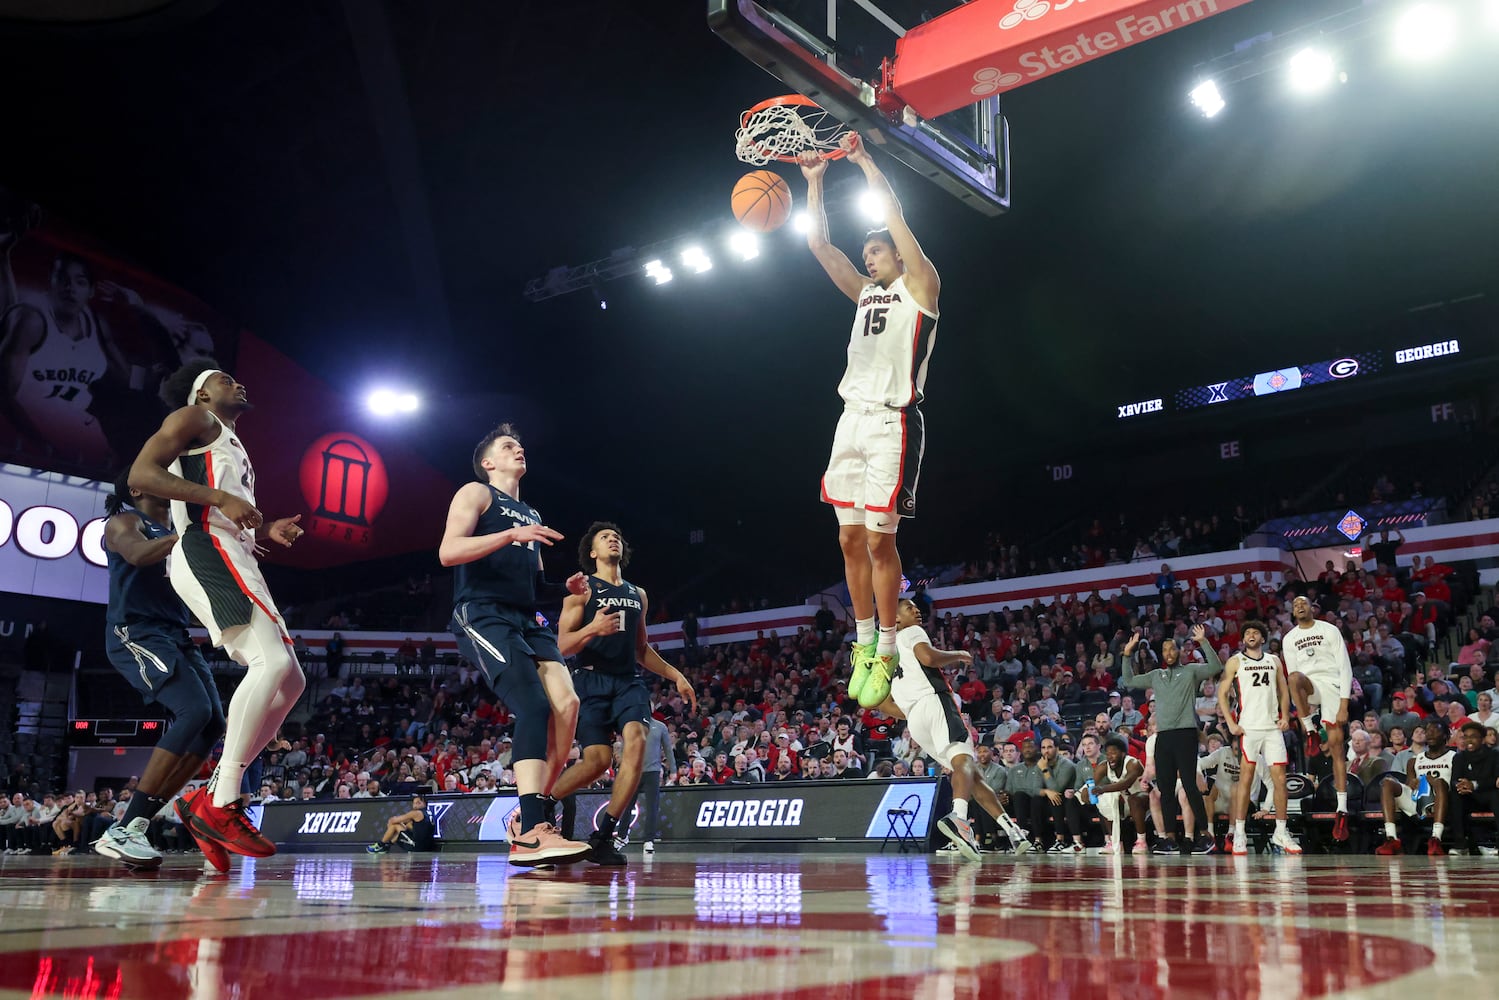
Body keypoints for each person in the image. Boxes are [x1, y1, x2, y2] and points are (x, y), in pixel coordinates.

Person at [128, 359, 305, 866]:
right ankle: (220, 799)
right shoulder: (194, 419)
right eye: (224, 379)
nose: (238, 381)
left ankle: (207, 799)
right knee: (269, 663)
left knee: (291, 681)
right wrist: (219, 497)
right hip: (206, 550)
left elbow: (227, 506)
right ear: (202, 395)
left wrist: (263, 527)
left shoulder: (228, 439)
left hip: (234, 551)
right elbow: (142, 475)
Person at [799, 131, 940, 712]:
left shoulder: (922, 289)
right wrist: (813, 182)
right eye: (868, 255)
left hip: (893, 424)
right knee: (847, 538)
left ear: (900, 257)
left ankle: (887, 646)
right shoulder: (864, 295)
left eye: (877, 252)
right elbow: (818, 246)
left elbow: (896, 220)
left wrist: (863, 164)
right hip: (849, 422)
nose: (868, 258)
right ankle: (861, 641)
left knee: (883, 544)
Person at [439, 423, 590, 867]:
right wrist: (508, 535)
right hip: (483, 612)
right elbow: (448, 552)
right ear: (489, 462)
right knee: (533, 706)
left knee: (568, 705)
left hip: (527, 618)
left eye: (520, 445)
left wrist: (565, 587)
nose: (518, 449)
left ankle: (530, 818)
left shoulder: (531, 513)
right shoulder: (475, 493)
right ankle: (532, 831)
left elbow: (533, 585)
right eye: (508, 446)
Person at [92, 472, 230, 871]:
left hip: (175, 634)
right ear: (136, 489)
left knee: (213, 724)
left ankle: (137, 824)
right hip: (135, 631)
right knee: (194, 711)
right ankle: (123, 827)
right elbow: (137, 554)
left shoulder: (178, 526)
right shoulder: (124, 522)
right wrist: (187, 538)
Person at [548, 522, 698, 865]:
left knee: (637, 741)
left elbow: (641, 648)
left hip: (627, 681)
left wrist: (677, 675)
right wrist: (593, 627)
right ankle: (543, 804)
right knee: (597, 762)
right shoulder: (581, 591)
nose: (613, 539)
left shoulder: (637, 594)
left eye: (616, 536)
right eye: (605, 537)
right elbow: (562, 645)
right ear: (593, 552)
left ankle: (604, 836)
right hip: (589, 680)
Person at [871, 599, 1030, 859]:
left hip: (915, 721)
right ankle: (959, 819)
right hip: (935, 702)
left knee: (969, 773)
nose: (917, 610)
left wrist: (911, 712)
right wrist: (958, 655)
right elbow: (929, 657)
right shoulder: (911, 632)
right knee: (965, 761)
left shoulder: (884, 654)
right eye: (909, 607)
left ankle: (1011, 830)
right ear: (896, 619)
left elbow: (882, 703)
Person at [1120, 625, 1222, 854]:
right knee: (1165, 789)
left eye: (1172, 648)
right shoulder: (1156, 675)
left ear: (1180, 652)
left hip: (1186, 734)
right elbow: (1128, 680)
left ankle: (1206, 835)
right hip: (1163, 736)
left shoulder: (1191, 671)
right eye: (1165, 649)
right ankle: (1169, 839)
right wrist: (1127, 654)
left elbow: (1216, 666)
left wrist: (1203, 641)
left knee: (1189, 784)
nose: (1168, 652)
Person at [1216, 620, 1301, 855]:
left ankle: (1281, 832)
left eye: (1255, 632)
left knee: (1280, 780)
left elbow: (1284, 690)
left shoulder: (1273, 660)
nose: (1251, 635)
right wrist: (1231, 723)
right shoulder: (1236, 661)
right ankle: (1240, 833)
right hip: (1249, 728)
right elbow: (1222, 693)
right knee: (1246, 778)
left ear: (1263, 638)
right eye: (1247, 632)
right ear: (1243, 639)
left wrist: (1285, 715)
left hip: (1272, 728)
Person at [1283, 596, 1355, 841]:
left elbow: (1345, 667)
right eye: (1295, 605)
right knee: (1292, 678)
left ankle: (1342, 808)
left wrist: (1344, 704)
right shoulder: (1289, 638)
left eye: (1303, 603)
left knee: (1336, 748)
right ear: (1292, 612)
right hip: (1310, 685)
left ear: (1312, 608)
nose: (1300, 607)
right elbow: (1295, 680)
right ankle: (1310, 731)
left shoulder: (1329, 630)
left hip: (1333, 683)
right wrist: (1307, 712)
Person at [1093, 736, 1149, 855]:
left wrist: (1103, 789)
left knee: (1134, 799)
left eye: (1113, 753)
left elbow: (1126, 784)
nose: (1110, 757)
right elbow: (1091, 785)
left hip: (1145, 799)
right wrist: (1086, 793)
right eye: (1107, 754)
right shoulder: (1103, 766)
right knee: (1105, 800)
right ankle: (1114, 842)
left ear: (1123, 753)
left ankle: (1141, 841)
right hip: (1124, 801)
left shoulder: (1133, 763)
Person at [1449, 720, 1499, 854]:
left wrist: (1475, 784)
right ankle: (1461, 844)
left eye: (1473, 736)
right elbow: (1453, 780)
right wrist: (1460, 785)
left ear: (1482, 739)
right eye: (1466, 737)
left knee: (1497, 795)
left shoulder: (1494, 755)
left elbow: (1496, 780)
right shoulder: (1459, 757)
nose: (1469, 740)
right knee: (1455, 795)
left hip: (1489, 795)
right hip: (1470, 796)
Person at [635, 716, 674, 854]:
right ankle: (621, 837)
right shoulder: (632, 724)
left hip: (652, 771)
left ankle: (649, 841)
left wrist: (673, 770)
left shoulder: (660, 726)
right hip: (634, 770)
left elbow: (668, 749)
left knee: (652, 807)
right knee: (626, 805)